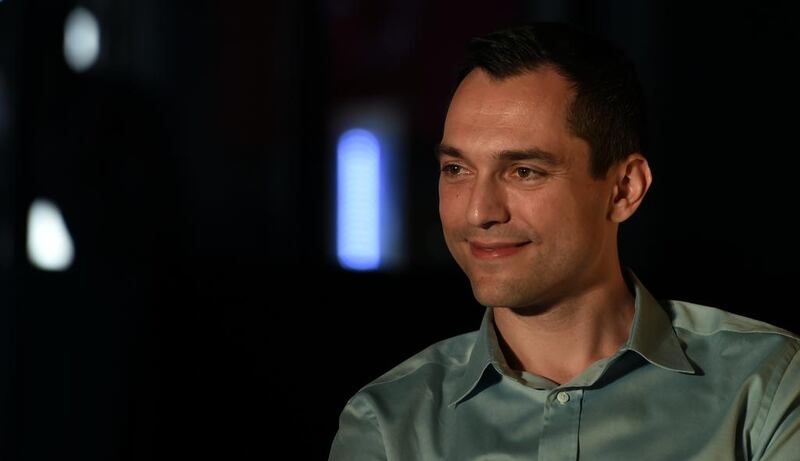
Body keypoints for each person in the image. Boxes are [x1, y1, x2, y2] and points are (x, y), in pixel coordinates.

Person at [328, 22, 800, 460]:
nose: (478, 211)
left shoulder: (765, 386)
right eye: (456, 169)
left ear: (624, 190)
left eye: (524, 171)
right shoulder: (389, 424)